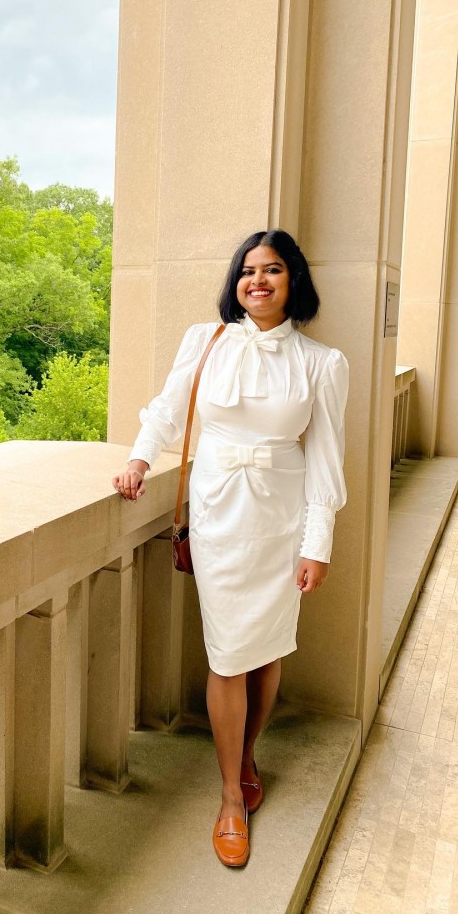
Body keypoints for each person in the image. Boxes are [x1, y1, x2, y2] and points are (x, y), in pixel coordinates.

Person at [112, 229, 348, 868]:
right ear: (235, 282)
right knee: (227, 654)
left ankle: (245, 758)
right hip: (219, 516)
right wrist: (138, 460)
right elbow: (168, 410)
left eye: (272, 270)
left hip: (281, 523)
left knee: (265, 649)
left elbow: (326, 461)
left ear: (293, 280)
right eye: (247, 270)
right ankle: (229, 797)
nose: (257, 281)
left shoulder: (322, 363)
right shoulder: (205, 340)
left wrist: (317, 544)